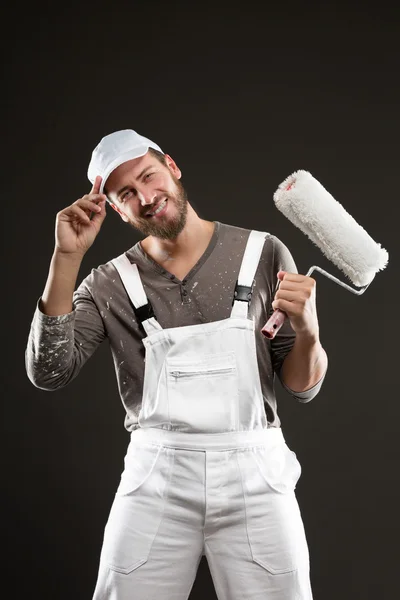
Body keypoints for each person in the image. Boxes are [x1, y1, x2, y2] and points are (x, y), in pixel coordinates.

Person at [25, 129, 328, 600]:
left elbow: (301, 386)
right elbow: (49, 371)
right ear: (114, 208)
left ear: (172, 165)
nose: (146, 197)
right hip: (157, 479)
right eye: (126, 193)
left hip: (255, 475)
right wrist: (66, 257)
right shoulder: (107, 284)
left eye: (148, 176)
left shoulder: (263, 254)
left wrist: (308, 331)